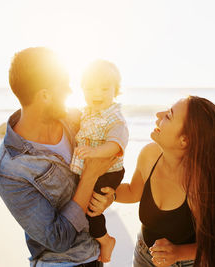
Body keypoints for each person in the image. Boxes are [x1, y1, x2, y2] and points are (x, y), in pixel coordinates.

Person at [115, 96, 215, 267]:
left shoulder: (198, 185)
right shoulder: (149, 155)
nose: (158, 115)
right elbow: (132, 191)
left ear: (184, 140)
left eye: (169, 116)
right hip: (143, 254)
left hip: (186, 263)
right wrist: (107, 192)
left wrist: (177, 253)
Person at [0, 47, 115, 267]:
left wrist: (108, 197)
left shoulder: (76, 121)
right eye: (65, 86)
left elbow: (109, 160)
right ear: (45, 95)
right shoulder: (10, 168)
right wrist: (89, 177)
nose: (71, 91)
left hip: (94, 258)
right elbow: (58, 239)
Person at [69, 60, 129, 263]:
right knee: (81, 202)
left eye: (104, 88)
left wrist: (94, 152)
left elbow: (114, 146)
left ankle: (105, 240)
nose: (97, 93)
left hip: (109, 170)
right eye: (90, 88)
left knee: (91, 209)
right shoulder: (87, 112)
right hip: (93, 166)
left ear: (116, 91)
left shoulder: (115, 119)